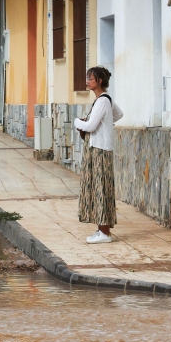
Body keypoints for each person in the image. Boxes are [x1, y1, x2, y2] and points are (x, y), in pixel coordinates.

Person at [74, 66, 123, 244]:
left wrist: (76, 121)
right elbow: (118, 114)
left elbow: (90, 126)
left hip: (99, 150)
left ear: (99, 81)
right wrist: (106, 124)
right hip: (100, 148)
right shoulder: (105, 100)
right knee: (99, 187)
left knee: (100, 188)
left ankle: (104, 233)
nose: (87, 81)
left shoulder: (102, 101)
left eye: (90, 79)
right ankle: (102, 230)